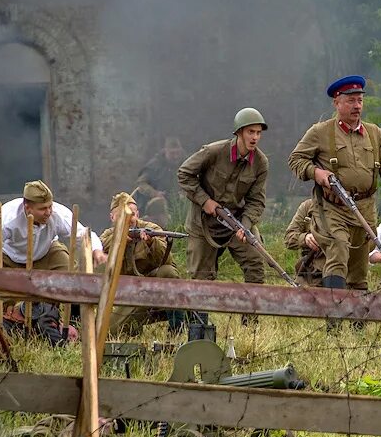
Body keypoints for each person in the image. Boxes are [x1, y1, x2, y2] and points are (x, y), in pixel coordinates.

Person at [288, 75, 381, 291]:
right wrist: (316, 172)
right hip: (332, 208)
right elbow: (296, 159)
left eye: (360, 100)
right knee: (337, 248)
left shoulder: (374, 134)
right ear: (337, 103)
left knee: (359, 264)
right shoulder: (320, 132)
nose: (357, 106)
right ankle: (334, 318)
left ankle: (356, 322)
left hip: (364, 208)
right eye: (351, 100)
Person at [177, 108, 269, 325]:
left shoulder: (261, 163)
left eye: (258, 132)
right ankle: (197, 329)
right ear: (239, 132)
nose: (255, 137)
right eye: (250, 132)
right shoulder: (213, 152)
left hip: (236, 223)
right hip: (203, 224)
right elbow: (184, 174)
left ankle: (251, 324)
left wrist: (245, 226)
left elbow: (257, 201)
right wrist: (205, 201)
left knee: (256, 264)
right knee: (201, 278)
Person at [0, 180, 106, 270]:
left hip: (46, 254)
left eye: (50, 207)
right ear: (27, 207)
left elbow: (82, 234)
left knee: (68, 277)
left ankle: (66, 310)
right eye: (42, 209)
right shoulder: (8, 218)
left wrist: (96, 250)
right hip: (11, 259)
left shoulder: (58, 214)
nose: (48, 212)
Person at [101, 192, 184, 336]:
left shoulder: (152, 229)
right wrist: (119, 239)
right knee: (111, 332)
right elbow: (101, 247)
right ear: (112, 217)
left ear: (138, 214)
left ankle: (177, 327)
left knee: (168, 273)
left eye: (132, 214)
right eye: (122, 215)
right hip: (127, 295)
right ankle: (133, 327)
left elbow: (166, 260)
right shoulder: (109, 234)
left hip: (153, 291)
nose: (129, 219)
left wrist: (151, 242)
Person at [132, 136, 185, 227]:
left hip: (178, 206)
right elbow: (141, 183)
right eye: (172, 153)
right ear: (165, 151)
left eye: (177, 153)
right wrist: (154, 193)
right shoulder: (155, 165)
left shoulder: (185, 164)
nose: (175, 156)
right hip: (157, 208)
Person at [283, 198, 324, 286]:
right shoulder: (308, 206)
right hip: (310, 272)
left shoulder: (350, 208)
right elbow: (288, 237)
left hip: (341, 270)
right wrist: (305, 238)